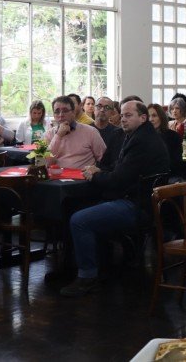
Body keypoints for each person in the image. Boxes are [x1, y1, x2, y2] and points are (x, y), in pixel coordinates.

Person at [61, 100, 170, 297]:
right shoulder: (139, 135)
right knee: (76, 208)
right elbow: (119, 169)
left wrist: (95, 175)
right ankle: (98, 266)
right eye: (122, 115)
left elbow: (118, 180)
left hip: (137, 206)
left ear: (143, 118)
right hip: (139, 200)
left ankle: (87, 277)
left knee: (79, 220)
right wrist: (101, 170)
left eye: (129, 115)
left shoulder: (141, 141)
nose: (123, 119)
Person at [45, 96, 106, 169]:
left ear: (73, 112)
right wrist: (58, 136)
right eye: (57, 111)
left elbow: (104, 159)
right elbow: (47, 163)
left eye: (65, 111)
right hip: (57, 178)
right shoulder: (49, 134)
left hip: (83, 178)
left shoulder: (90, 132)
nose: (61, 115)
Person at [148, 103, 182, 180]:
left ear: (161, 117)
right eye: (148, 116)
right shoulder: (141, 136)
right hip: (147, 176)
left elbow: (176, 163)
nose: (150, 119)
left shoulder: (173, 136)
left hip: (168, 175)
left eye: (154, 116)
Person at [92, 96, 126, 170]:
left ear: (112, 113)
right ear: (94, 109)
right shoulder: (86, 130)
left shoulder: (118, 133)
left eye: (107, 107)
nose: (102, 110)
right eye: (99, 106)